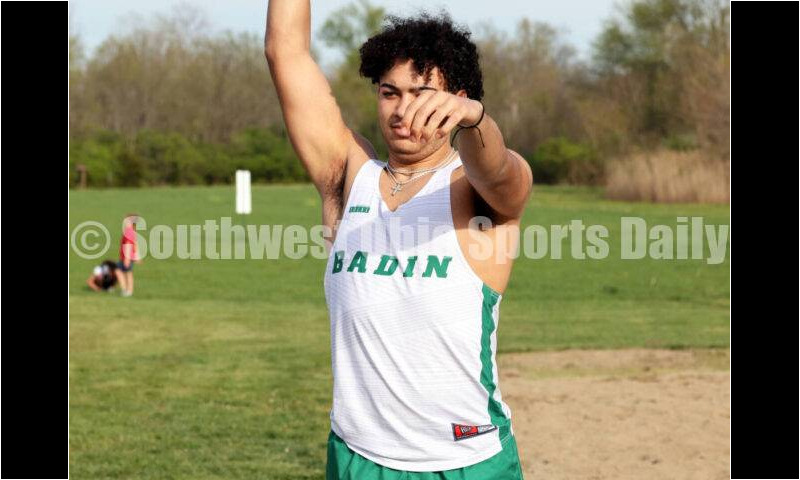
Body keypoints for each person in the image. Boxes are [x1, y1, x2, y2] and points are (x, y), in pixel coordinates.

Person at [266, 3, 532, 479]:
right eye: (390, 93)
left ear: (459, 99)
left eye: (422, 94)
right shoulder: (348, 180)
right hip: (358, 458)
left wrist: (475, 120)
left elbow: (503, 175)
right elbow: (285, 52)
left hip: (466, 463)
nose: (403, 109)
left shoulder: (476, 191)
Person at [117, 214, 139, 297]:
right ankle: (128, 290)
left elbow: (129, 244)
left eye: (126, 220)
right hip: (128, 256)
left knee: (121, 271)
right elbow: (135, 244)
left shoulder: (129, 231)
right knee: (127, 272)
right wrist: (137, 256)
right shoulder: (132, 231)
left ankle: (126, 290)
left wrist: (127, 259)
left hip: (127, 257)